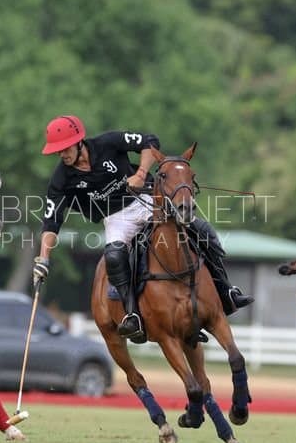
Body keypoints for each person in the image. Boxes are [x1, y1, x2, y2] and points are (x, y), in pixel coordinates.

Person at [32, 114, 252, 342]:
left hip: (146, 199)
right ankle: (132, 315)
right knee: (114, 255)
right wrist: (43, 259)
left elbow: (149, 142)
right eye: (58, 151)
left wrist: (140, 174)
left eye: (66, 148)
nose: (62, 154)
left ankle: (226, 291)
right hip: (116, 217)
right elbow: (51, 220)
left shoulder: (107, 143)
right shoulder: (61, 179)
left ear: (80, 142)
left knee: (203, 230)